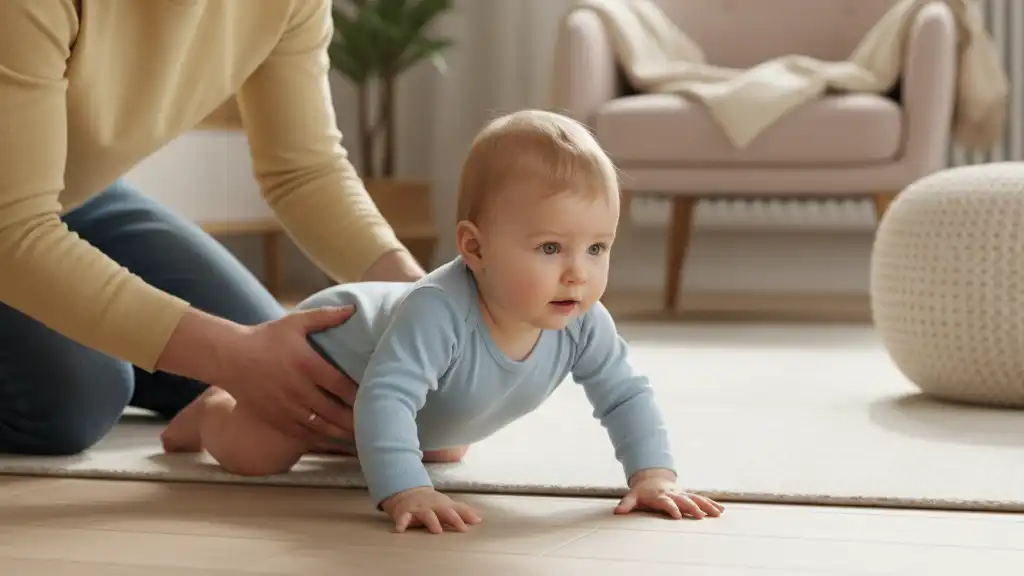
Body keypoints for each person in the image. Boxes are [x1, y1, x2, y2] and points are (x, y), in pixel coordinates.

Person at [159, 109, 726, 534]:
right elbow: (386, 398)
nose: (578, 273)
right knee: (259, 454)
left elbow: (626, 394)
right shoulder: (438, 311)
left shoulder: (584, 322)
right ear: (475, 248)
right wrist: (406, 490)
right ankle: (212, 411)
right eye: (551, 248)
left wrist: (653, 475)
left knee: (444, 446)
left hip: (396, 401)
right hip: (321, 353)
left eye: (597, 248)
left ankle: (350, 441)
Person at [0, 0, 425, 456]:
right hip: (13, 216)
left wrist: (422, 295)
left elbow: (304, 172)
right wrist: (231, 355)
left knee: (294, 363)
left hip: (75, 193)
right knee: (78, 396)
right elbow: (14, 229)